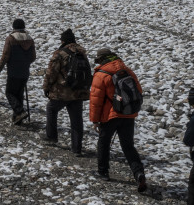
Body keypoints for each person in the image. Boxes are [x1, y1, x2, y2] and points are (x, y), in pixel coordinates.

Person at [90, 47, 147, 191]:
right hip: (128, 114)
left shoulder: (101, 74)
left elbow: (96, 100)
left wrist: (95, 120)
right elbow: (138, 92)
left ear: (101, 60)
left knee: (104, 142)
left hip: (110, 116)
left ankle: (103, 172)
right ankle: (139, 173)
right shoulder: (127, 71)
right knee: (128, 146)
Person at [42, 29, 90, 153]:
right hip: (78, 91)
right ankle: (77, 148)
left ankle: (51, 136)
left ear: (63, 40)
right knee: (76, 119)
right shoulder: (82, 52)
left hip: (62, 91)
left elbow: (51, 73)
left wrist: (46, 87)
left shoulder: (60, 53)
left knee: (51, 109)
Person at [0, 18, 36, 124]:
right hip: (24, 71)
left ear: (14, 27)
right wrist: (25, 63)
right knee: (19, 94)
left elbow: (5, 56)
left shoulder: (11, 38)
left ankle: (20, 112)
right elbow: (33, 57)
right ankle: (17, 118)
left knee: (9, 92)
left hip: (13, 70)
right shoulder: (30, 39)